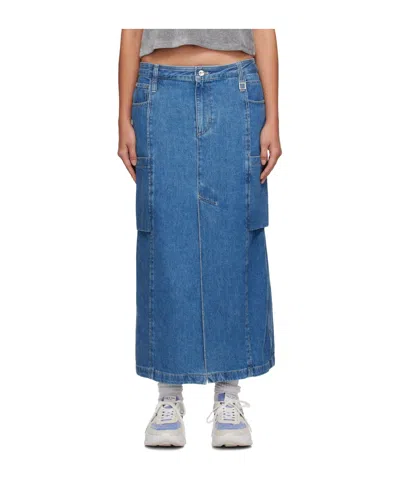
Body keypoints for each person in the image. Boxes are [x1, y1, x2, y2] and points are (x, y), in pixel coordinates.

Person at [118, 29, 282, 447]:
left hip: (236, 87)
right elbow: (131, 29)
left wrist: (273, 118)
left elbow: (263, 27)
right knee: (163, 237)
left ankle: (228, 394)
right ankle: (168, 396)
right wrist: (122, 117)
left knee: (235, 235)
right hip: (158, 89)